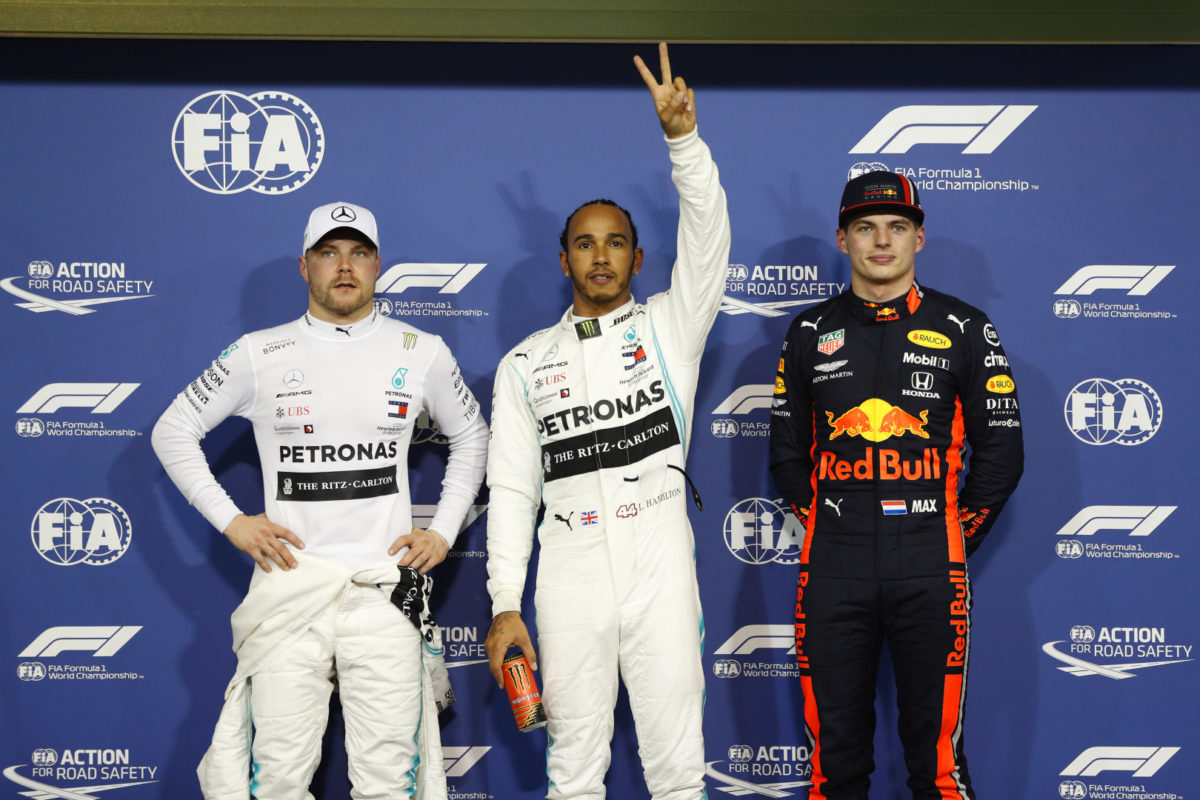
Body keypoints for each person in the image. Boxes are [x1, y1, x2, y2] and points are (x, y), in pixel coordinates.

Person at [151, 201, 488, 800]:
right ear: (304, 266)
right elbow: (171, 430)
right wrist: (231, 520)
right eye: (329, 253)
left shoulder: (421, 349)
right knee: (278, 781)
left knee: (389, 784)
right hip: (290, 590)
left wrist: (442, 530)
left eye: (358, 252)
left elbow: (472, 436)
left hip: (384, 593)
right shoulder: (259, 352)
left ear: (377, 264)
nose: (344, 266)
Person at [483, 43, 731, 800]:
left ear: (638, 259)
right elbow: (512, 490)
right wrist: (503, 604)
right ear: (563, 261)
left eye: (615, 242)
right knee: (573, 773)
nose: (601, 256)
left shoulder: (670, 328)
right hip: (570, 573)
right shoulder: (525, 363)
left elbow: (708, 237)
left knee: (679, 771)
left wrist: (684, 142)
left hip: (660, 564)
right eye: (584, 244)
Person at [768, 171, 1024, 799]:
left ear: (919, 238)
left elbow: (1002, 456)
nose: (881, 241)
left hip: (931, 567)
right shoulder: (808, 332)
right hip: (833, 570)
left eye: (897, 227)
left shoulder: (965, 327)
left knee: (938, 770)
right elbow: (786, 454)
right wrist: (831, 529)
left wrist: (949, 535)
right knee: (833, 770)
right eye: (865, 228)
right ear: (843, 239)